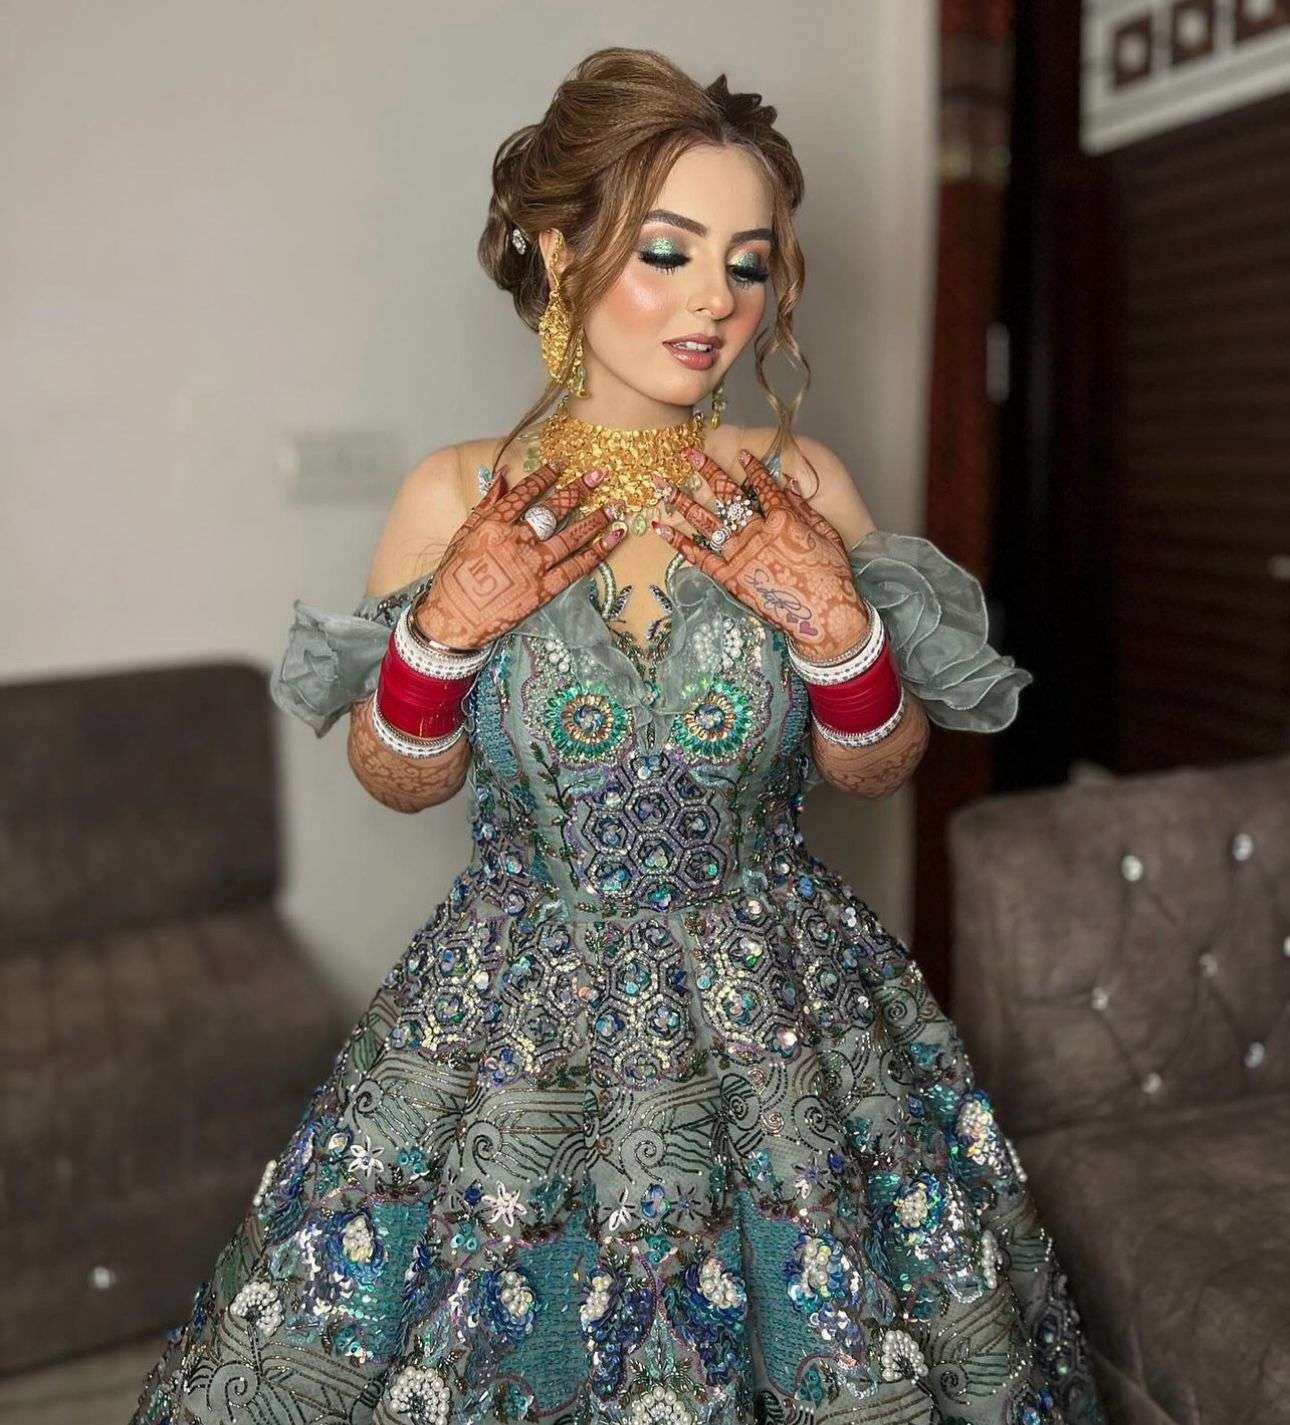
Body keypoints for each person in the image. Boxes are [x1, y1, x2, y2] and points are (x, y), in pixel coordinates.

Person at [132, 45, 1106, 1425]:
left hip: (781, 1000)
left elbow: (879, 766)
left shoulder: (800, 483)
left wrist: (838, 629)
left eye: (749, 263)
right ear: (559, 250)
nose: (716, 299)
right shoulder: (457, 493)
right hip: (511, 1001)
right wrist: (443, 633)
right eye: (668, 250)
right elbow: (396, 778)